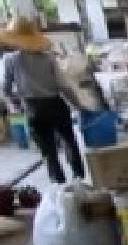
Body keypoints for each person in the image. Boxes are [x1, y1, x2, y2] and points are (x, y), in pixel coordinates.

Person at [0, 17, 85, 184]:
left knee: (49, 152)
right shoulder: (49, 58)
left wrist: (14, 104)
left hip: (33, 109)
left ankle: (59, 187)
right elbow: (63, 85)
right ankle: (79, 181)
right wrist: (78, 105)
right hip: (56, 104)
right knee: (70, 142)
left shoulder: (10, 60)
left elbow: (5, 88)